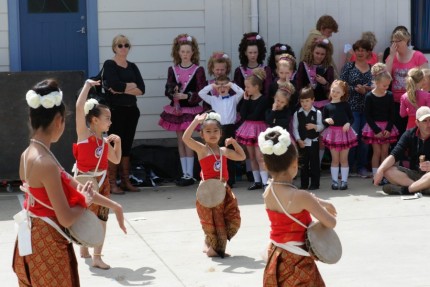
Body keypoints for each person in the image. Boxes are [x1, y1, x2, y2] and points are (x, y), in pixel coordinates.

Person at [13, 79, 127, 287]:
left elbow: (74, 184)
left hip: (29, 239)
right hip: (47, 245)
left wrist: (114, 206)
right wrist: (84, 201)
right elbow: (66, 218)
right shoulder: (45, 161)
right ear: (59, 120)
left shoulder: (29, 153)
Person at [259, 126, 336, 286]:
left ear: (266, 166)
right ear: (295, 164)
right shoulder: (301, 196)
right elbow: (330, 222)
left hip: (276, 257)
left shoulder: (268, 191)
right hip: (298, 259)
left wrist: (320, 202)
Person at [74, 79, 123, 269]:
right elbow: (79, 108)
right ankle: (84, 246)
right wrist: (87, 85)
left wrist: (117, 143)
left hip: (102, 182)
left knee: (102, 218)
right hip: (83, 181)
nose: (110, 122)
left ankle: (97, 256)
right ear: (94, 120)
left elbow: (116, 160)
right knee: (83, 216)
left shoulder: (104, 142)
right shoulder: (83, 135)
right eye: (107, 118)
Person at [182, 112, 245, 258]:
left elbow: (242, 156)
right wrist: (195, 121)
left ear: (221, 133)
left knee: (230, 217)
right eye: (208, 131)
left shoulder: (223, 151)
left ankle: (211, 244)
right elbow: (185, 138)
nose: (212, 134)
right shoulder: (202, 150)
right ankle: (215, 247)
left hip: (223, 190)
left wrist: (235, 143)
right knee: (213, 221)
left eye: (215, 131)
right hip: (208, 192)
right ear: (202, 134)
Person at [159, 34, 207, 186]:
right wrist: (173, 93)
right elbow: (168, 88)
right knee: (180, 140)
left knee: (188, 139)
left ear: (193, 53)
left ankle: (191, 174)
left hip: (191, 109)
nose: (185, 54)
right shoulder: (172, 69)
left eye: (188, 51)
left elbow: (201, 91)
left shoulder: (198, 70)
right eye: (182, 51)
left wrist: (186, 95)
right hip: (177, 109)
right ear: (177, 52)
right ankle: (184, 173)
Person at [103, 34, 145, 193]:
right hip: (115, 111)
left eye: (126, 45)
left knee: (127, 146)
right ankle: (112, 183)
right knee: (114, 144)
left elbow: (142, 89)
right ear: (114, 47)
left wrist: (123, 87)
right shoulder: (109, 64)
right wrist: (130, 86)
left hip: (132, 110)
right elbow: (113, 85)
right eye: (120, 45)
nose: (123, 48)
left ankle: (126, 181)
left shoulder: (132, 66)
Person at [198, 75, 244, 187]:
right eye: (219, 87)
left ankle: (231, 180)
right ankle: (217, 177)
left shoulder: (233, 98)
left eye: (225, 86)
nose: (222, 88)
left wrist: (230, 84)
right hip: (217, 129)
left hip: (230, 128)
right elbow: (201, 93)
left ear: (229, 87)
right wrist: (213, 85)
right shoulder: (213, 99)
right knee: (218, 154)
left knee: (229, 154)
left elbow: (241, 92)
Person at [374, 106, 430, 195]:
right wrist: (380, 169)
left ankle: (406, 190)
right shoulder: (409, 134)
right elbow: (395, 154)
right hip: (414, 174)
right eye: (424, 121)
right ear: (417, 123)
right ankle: (421, 188)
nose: (429, 124)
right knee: (387, 170)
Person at [296, 40, 335, 164]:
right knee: (307, 134)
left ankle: (316, 163)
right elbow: (298, 85)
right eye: (317, 53)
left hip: (323, 105)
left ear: (326, 55)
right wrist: (306, 88)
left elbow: (331, 90)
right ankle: (307, 162)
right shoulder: (303, 65)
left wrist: (325, 83)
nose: (319, 56)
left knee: (321, 136)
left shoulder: (328, 68)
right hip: (308, 105)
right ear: (312, 52)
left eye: (322, 54)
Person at [385, 29, 428, 137]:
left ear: (406, 41)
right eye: (393, 41)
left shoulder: (418, 56)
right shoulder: (392, 57)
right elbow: (385, 78)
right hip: (397, 102)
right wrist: (391, 56)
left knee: (417, 133)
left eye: (398, 41)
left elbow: (426, 78)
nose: (395, 44)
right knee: (399, 133)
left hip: (415, 101)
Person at [340, 39, 373, 178]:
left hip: (367, 109)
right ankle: (348, 167)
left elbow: (378, 87)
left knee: (365, 140)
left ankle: (361, 167)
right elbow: (341, 85)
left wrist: (368, 90)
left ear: (368, 53)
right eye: (358, 49)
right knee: (351, 138)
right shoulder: (348, 67)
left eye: (363, 50)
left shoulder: (373, 68)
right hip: (351, 108)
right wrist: (355, 89)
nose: (360, 52)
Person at [362, 63, 398, 177]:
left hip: (387, 127)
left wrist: (388, 128)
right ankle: (375, 175)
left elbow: (392, 114)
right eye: (384, 85)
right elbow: (367, 115)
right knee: (376, 152)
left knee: (385, 152)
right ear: (376, 83)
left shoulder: (389, 95)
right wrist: (376, 130)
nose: (386, 88)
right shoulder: (369, 96)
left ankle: (385, 175)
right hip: (374, 128)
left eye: (388, 85)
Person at [235, 68, 269, 190]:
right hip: (248, 129)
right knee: (252, 157)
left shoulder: (264, 99)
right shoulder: (247, 99)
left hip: (260, 128)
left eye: (248, 87)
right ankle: (257, 181)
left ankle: (265, 181)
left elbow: (255, 115)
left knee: (260, 157)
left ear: (256, 87)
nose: (246, 89)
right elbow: (243, 115)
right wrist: (245, 100)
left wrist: (248, 114)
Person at [322, 80, 357, 190]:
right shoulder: (327, 106)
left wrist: (348, 123)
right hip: (333, 134)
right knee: (335, 160)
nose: (335, 93)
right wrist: (326, 120)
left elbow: (352, 118)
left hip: (344, 134)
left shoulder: (345, 105)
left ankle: (344, 181)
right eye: (333, 91)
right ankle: (334, 181)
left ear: (343, 93)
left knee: (344, 159)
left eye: (338, 92)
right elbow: (323, 120)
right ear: (330, 90)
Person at [293, 87, 324, 190]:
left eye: (307, 101)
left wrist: (314, 127)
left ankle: (315, 184)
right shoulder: (297, 113)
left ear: (312, 100)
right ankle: (304, 184)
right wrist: (298, 139)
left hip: (313, 142)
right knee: (303, 164)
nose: (304, 103)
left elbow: (321, 126)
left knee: (314, 163)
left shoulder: (317, 113)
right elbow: (295, 128)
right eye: (302, 101)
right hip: (302, 143)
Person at [234, 32, 272, 96]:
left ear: (259, 52)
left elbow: (267, 91)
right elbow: (238, 92)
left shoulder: (265, 69)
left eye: (255, 52)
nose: (253, 55)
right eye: (250, 52)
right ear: (245, 53)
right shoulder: (240, 71)